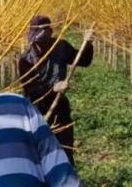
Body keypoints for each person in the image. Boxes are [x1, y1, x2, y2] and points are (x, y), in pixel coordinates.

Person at [18, 16, 94, 167]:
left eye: (42, 41)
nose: (39, 46)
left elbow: (83, 60)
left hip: (60, 109)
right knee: (38, 156)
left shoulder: (61, 47)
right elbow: (31, 89)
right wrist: (53, 87)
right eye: (36, 42)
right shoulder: (25, 59)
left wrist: (88, 44)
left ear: (50, 33)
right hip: (35, 110)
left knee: (65, 152)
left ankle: (66, 184)